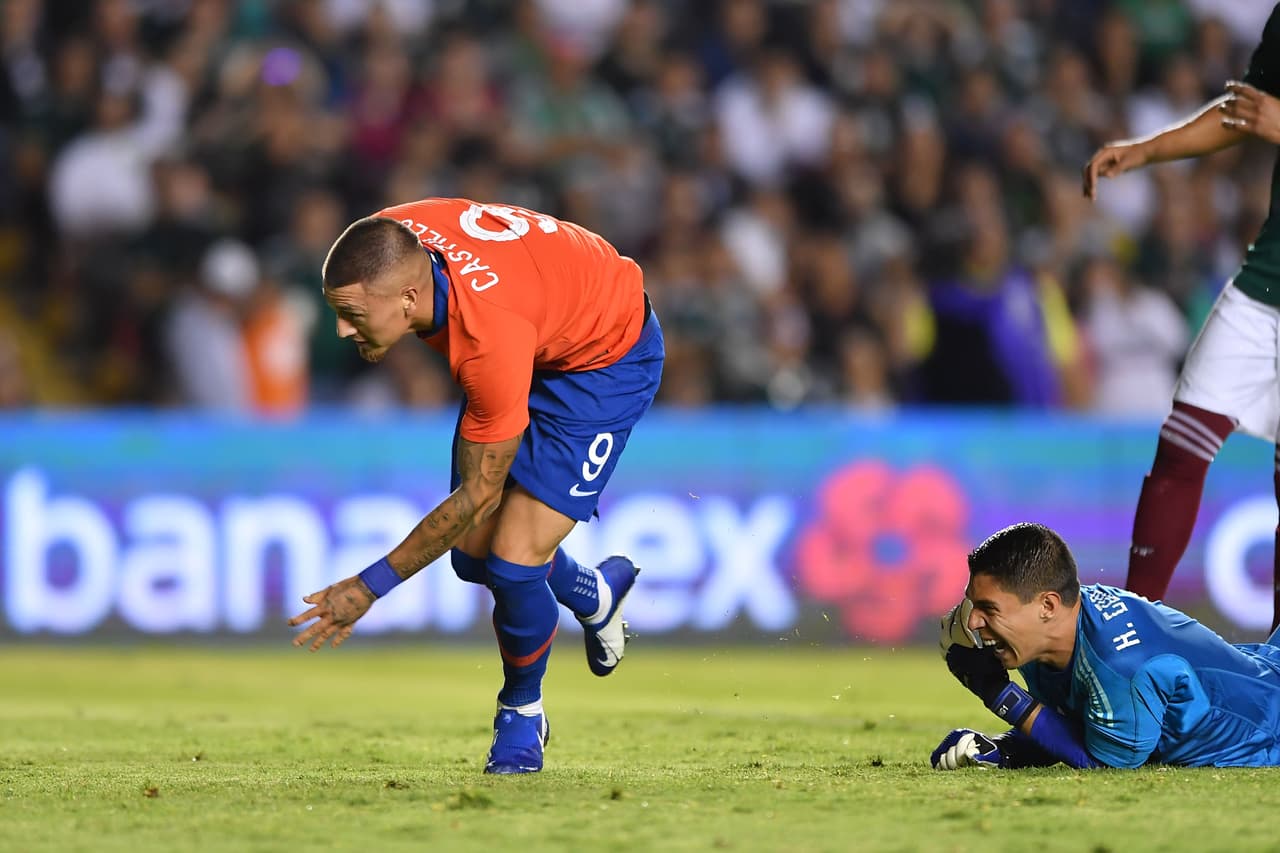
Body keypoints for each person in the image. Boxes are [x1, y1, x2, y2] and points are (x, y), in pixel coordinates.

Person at [286, 198, 665, 775]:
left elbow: (476, 496)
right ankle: (593, 592)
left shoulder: (488, 336)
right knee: (472, 557)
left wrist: (369, 586)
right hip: (540, 332)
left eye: (352, 311)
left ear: (410, 298)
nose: (340, 328)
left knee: (511, 563)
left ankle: (522, 712)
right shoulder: (394, 238)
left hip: (603, 359)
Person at [1081, 2, 1280, 630]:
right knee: (1181, 445)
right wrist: (1148, 150)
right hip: (1264, 283)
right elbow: (1246, 114)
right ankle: (1132, 633)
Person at [933, 522, 1280, 770]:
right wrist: (1003, 749)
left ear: (1047, 606)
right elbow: (1080, 721)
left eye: (988, 609)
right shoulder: (1051, 630)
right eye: (973, 606)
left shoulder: (1121, 666)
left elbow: (1102, 762)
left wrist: (999, 695)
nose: (974, 622)